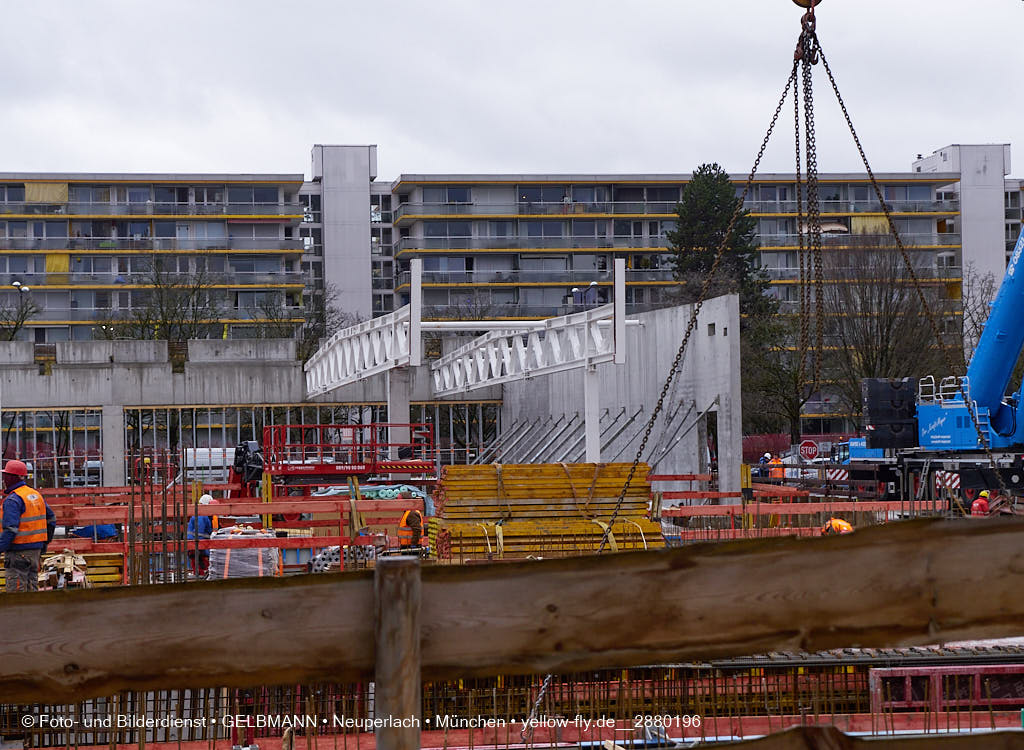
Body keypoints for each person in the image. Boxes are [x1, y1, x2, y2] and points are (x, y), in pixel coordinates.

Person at [0, 459, 56, 592]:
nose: (4, 479)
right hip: (34, 553)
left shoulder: (13, 500)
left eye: (5, 476)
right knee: (32, 591)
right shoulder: (35, 495)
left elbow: (10, 530)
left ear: (11, 477)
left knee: (17, 594)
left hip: (18, 554)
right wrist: (43, 544)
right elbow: (51, 520)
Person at [187, 494, 220, 577]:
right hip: (198, 546)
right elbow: (199, 533)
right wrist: (204, 549)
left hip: (199, 545)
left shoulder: (204, 515)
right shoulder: (201, 516)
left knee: (201, 568)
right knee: (201, 569)